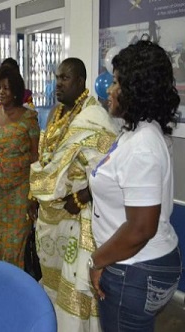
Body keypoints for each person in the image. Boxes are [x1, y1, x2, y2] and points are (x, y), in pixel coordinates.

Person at [89, 40, 181, 332]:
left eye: (116, 82)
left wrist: (97, 259)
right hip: (139, 263)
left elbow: (141, 228)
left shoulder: (142, 145)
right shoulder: (140, 132)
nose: (109, 90)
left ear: (136, 89)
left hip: (134, 268)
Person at [28, 58, 118, 331]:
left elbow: (109, 169)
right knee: (52, 285)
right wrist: (36, 195)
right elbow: (48, 158)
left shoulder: (94, 118)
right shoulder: (57, 114)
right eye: (57, 77)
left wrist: (81, 198)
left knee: (75, 290)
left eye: (65, 78)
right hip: (52, 217)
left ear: (81, 82)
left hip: (79, 219)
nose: (59, 83)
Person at [0, 66, 39, 269]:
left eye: (6, 88)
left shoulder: (29, 119)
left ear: (15, 91)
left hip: (21, 189)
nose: (1, 91)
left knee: (16, 240)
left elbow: (35, 156)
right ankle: (0, 279)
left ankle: (17, 284)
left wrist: (34, 193)